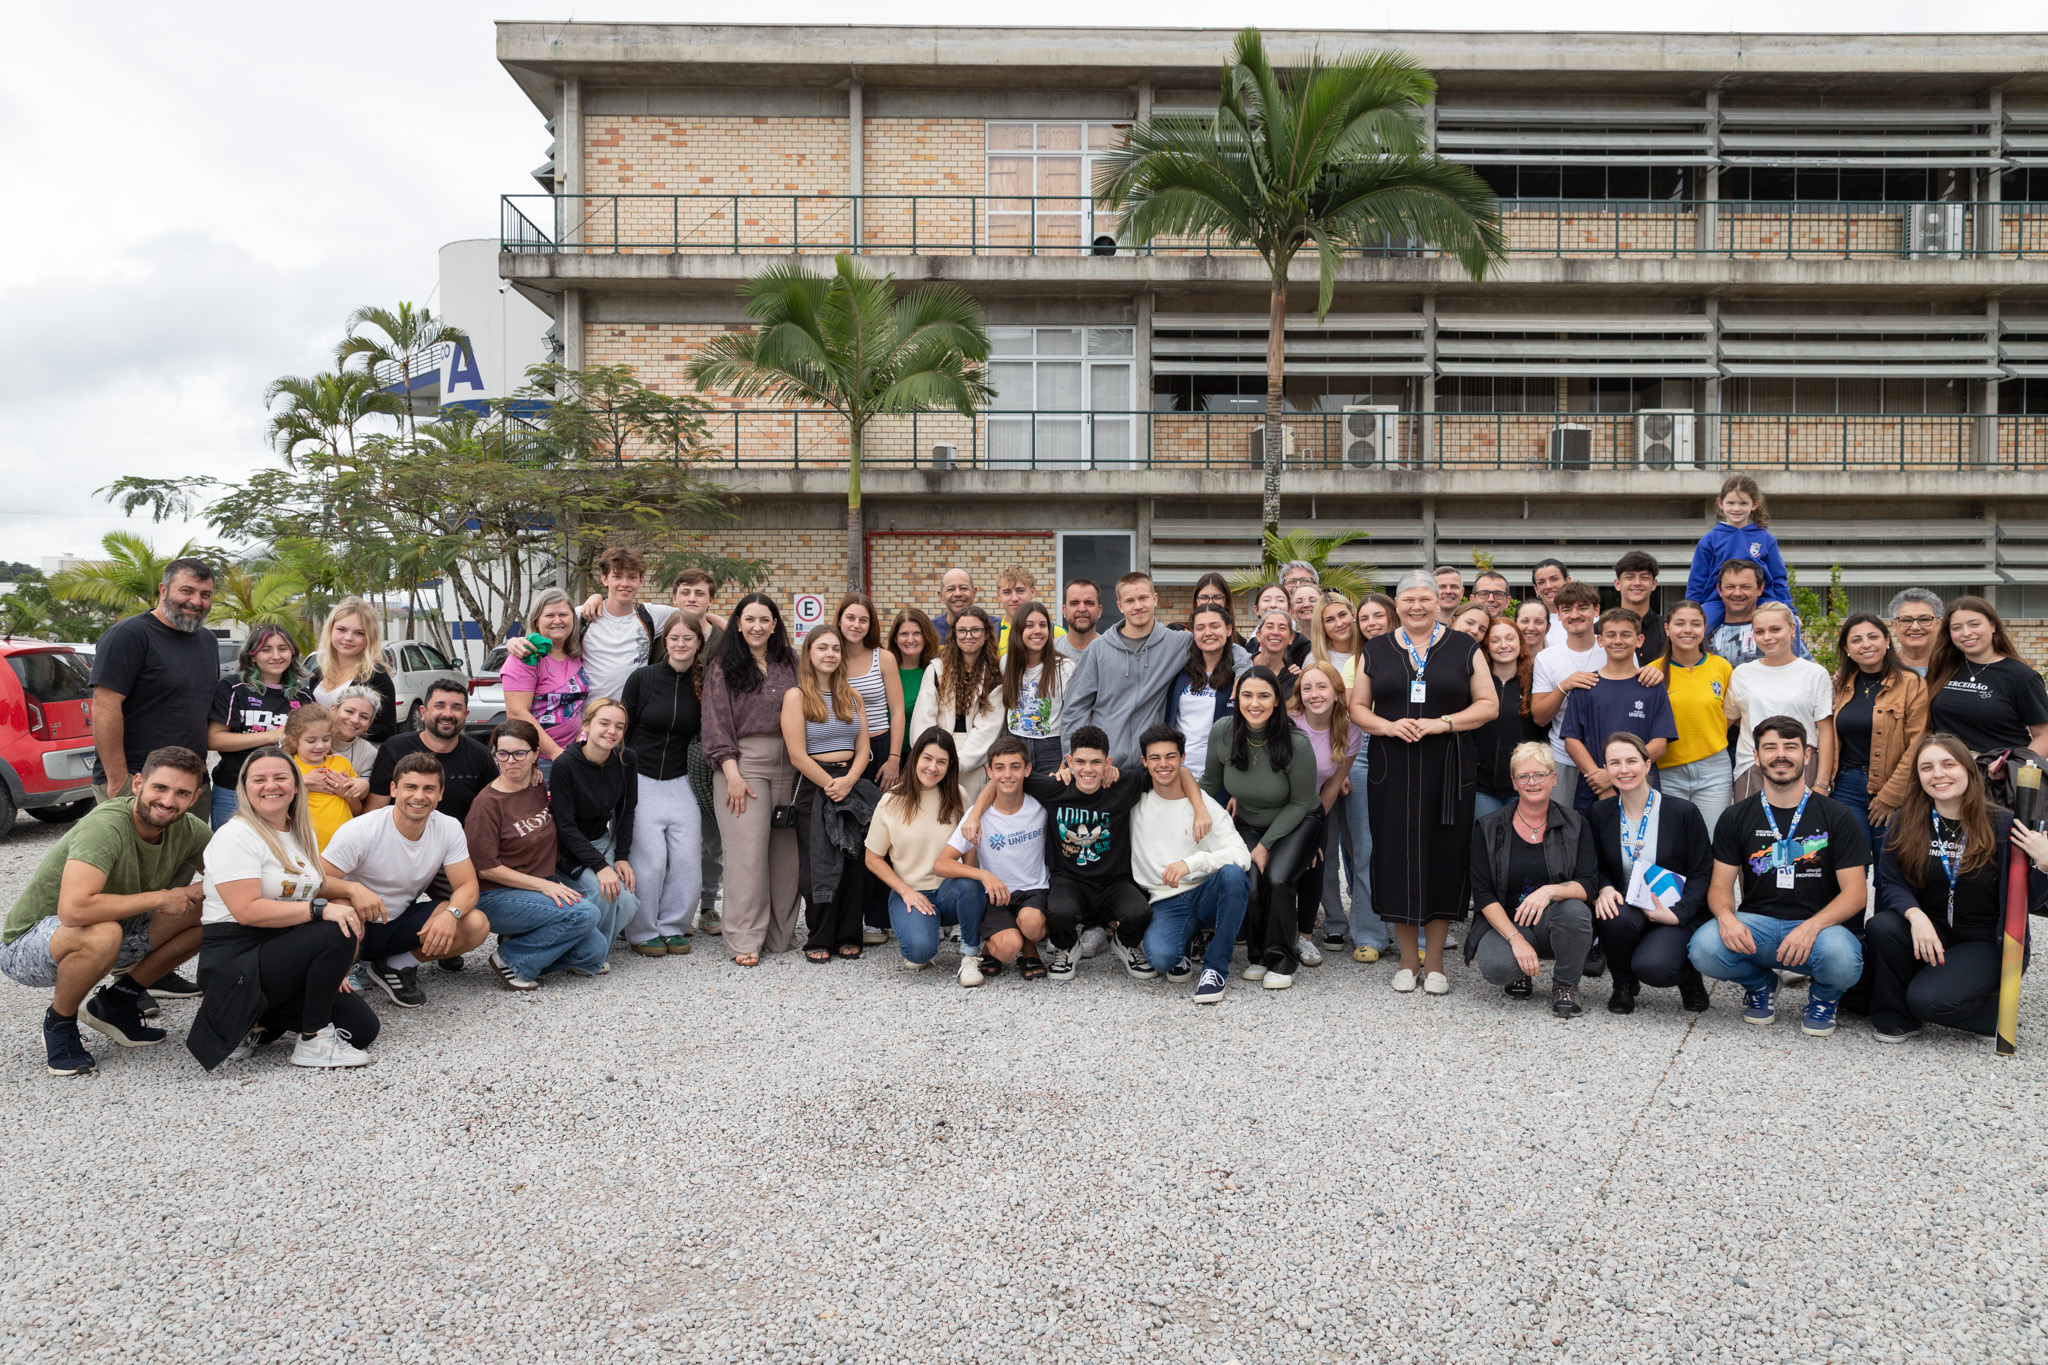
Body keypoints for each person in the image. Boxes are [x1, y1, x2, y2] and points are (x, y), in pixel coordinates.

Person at [1, 747, 210, 1076]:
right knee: (103, 932)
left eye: (181, 793)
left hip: (110, 927)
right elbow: (74, 910)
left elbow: (235, 876)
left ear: (195, 796)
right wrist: (160, 897)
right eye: (160, 788)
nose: (169, 801)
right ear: (138, 784)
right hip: (28, 944)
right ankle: (60, 1022)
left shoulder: (189, 829)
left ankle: (117, 1004)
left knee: (208, 911)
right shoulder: (106, 826)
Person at [186, 749, 388, 1071]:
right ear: (245, 788)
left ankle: (252, 1020)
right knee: (335, 925)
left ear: (296, 786)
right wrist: (321, 912)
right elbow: (246, 911)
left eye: (280, 777)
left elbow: (310, 885)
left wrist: (352, 891)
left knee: (362, 1029)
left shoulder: (299, 831)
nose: (271, 786)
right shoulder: (235, 835)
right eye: (259, 779)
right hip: (236, 955)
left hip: (279, 950)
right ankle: (313, 1041)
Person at [961, 721, 1204, 980]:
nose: (1088, 769)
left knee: (1140, 912)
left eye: (1096, 762)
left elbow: (1181, 772)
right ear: (1069, 761)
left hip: (1114, 880)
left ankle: (1123, 942)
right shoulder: (1055, 787)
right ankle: (1068, 947)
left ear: (1107, 762)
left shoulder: (1124, 784)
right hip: (1069, 879)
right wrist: (975, 814)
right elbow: (1002, 780)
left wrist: (1199, 809)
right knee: (1059, 912)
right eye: (1080, 762)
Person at [1351, 570, 1499, 993]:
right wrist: (1387, 726)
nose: (1416, 606)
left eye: (1425, 599)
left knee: (1444, 855)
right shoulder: (1376, 649)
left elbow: (1488, 705)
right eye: (1408, 599)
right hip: (1391, 765)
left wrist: (1443, 723)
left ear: (1439, 603)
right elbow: (1358, 707)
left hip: (1447, 766)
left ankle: (1434, 962)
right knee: (1395, 855)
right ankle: (1406, 959)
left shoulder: (1464, 646)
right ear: (1397, 605)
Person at [1689, 715, 1870, 1037]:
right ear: (1756, 757)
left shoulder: (1837, 815)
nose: (1780, 755)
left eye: (1790, 747)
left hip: (1818, 927)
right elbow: (1719, 886)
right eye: (1770, 748)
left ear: (1808, 755)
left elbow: (1856, 894)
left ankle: (1824, 997)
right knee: (1704, 947)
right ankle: (1761, 984)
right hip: (1757, 923)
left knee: (1844, 960)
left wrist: (1811, 927)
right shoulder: (1736, 816)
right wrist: (1727, 918)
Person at [1869, 733, 2048, 1042]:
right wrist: (1916, 916)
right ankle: (1898, 1018)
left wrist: (2045, 865)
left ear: (1967, 769)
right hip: (1932, 933)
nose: (1938, 774)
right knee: (1882, 925)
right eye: (1927, 767)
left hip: (1985, 943)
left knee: (1929, 1000)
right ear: (1918, 776)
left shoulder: (2005, 824)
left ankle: (1991, 1011)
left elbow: (2029, 900)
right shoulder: (1906, 820)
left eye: (1948, 764)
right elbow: (1892, 881)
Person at [321, 752, 490, 1009]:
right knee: (342, 903)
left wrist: (451, 915)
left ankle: (395, 966)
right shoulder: (361, 830)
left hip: (399, 920)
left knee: (475, 922)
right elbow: (317, 884)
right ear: (393, 789)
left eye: (428, 788)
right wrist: (352, 888)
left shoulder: (448, 827)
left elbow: (467, 886)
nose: (419, 796)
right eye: (410, 787)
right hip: (360, 922)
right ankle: (347, 967)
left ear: (440, 793)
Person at [465, 719, 610, 989]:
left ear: (535, 755)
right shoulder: (486, 805)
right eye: (503, 753)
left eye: (520, 753)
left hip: (536, 890)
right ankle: (512, 960)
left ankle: (521, 939)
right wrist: (544, 885)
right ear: (495, 755)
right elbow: (486, 869)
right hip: (496, 895)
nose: (511, 762)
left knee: (594, 952)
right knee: (585, 914)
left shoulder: (537, 784)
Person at [1204, 666, 1320, 990]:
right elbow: (1211, 782)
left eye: (1264, 696)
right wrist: (1182, 803)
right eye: (1247, 695)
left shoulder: (1296, 742)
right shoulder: (1223, 732)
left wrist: (1265, 845)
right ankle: (1258, 956)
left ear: (1277, 701)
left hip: (1298, 821)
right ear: (1237, 698)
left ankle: (1282, 960)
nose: (1255, 703)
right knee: (1250, 882)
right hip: (1249, 821)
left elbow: (1300, 804)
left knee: (1278, 878)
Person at [1465, 743, 1598, 1018]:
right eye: (1523, 776)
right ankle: (1519, 970)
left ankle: (1565, 984)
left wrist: (1550, 891)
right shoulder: (1489, 827)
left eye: (1539, 774)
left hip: (1554, 920)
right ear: (1513, 782)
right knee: (1498, 968)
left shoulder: (1576, 823)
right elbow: (1484, 894)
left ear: (1554, 778)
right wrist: (1515, 939)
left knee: (1575, 911)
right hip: (1508, 921)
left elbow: (1588, 884)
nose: (1532, 782)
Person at [703, 593, 800, 967]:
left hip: (791, 765)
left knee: (786, 857)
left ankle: (780, 935)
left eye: (765, 619)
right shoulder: (722, 666)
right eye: (750, 619)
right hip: (744, 766)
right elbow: (715, 723)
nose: (757, 626)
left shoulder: (791, 662)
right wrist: (732, 774)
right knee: (747, 856)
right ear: (739, 624)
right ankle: (744, 937)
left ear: (775, 624)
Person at [1587, 733, 1715, 1015]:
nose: (1624, 770)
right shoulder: (1600, 812)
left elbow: (1702, 871)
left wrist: (1678, 914)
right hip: (1628, 907)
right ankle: (1622, 983)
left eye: (1632, 761)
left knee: (1656, 969)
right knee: (1612, 915)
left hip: (1673, 908)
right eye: (1615, 763)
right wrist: (1605, 888)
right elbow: (1595, 865)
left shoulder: (1682, 812)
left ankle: (1689, 977)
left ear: (1647, 764)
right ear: (1606, 769)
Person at [1133, 723, 1253, 1004]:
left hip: (1205, 892)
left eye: (1171, 757)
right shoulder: (1134, 800)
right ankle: (1186, 942)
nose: (1164, 765)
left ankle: (1215, 968)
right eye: (1155, 758)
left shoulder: (1205, 806)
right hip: (1164, 900)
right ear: (1144, 762)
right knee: (1163, 959)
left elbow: (1241, 854)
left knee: (1234, 876)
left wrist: (1192, 863)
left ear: (1183, 758)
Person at [89, 556, 219, 803]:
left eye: (205, 594)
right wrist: (118, 782)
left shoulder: (208, 641)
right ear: (163, 590)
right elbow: (104, 707)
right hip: (140, 781)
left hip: (192, 782)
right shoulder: (129, 635)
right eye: (187, 591)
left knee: (194, 844)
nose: (196, 601)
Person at [783, 624, 876, 963]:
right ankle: (818, 937)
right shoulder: (797, 696)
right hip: (815, 785)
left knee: (854, 862)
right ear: (809, 653)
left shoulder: (852, 696)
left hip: (851, 782)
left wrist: (850, 779)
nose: (830, 654)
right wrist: (830, 784)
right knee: (819, 863)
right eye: (822, 648)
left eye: (835, 649)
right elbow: (797, 754)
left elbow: (863, 746)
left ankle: (850, 934)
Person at [865, 728, 987, 984]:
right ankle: (924, 931)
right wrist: (906, 892)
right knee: (919, 952)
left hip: (948, 891)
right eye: (927, 758)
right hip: (910, 893)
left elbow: (969, 842)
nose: (933, 767)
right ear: (916, 757)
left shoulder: (958, 795)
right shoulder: (890, 801)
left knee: (971, 884)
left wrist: (969, 872)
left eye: (941, 761)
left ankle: (970, 956)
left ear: (949, 765)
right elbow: (872, 858)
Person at [622, 611, 707, 956]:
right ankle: (642, 931)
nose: (681, 644)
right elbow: (622, 728)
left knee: (687, 860)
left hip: (682, 780)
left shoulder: (707, 684)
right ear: (664, 642)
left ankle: (674, 926)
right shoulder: (642, 678)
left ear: (699, 643)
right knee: (651, 861)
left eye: (688, 638)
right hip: (641, 780)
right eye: (674, 638)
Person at [933, 738, 1050, 980]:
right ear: (989, 771)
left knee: (1032, 925)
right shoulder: (977, 816)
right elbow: (942, 864)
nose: (1008, 774)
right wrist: (983, 875)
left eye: (1015, 767)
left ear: (1027, 769)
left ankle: (1029, 946)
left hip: (1034, 889)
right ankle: (995, 946)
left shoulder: (1041, 805)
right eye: (999, 768)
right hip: (996, 895)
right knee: (1007, 949)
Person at [1823, 612, 1929, 869]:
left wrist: (1891, 795)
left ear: (1887, 641)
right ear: (1847, 649)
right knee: (1850, 868)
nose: (1866, 644)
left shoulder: (1912, 684)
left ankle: (1886, 913)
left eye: (1873, 637)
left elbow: (1918, 744)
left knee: (1889, 869)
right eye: (1856, 640)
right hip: (1845, 788)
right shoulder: (1839, 685)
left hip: (1894, 787)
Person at [1062, 572, 1195, 768]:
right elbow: (1075, 709)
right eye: (1130, 600)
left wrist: (1243, 668)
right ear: (1120, 606)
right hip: (1106, 767)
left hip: (1152, 767)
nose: (1138, 606)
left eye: (1143, 598)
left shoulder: (1178, 644)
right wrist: (1074, 760)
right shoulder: (1098, 649)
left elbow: (1224, 646)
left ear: (1155, 599)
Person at [1559, 609, 1677, 815]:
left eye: (1626, 634)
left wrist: (1613, 774)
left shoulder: (1652, 686)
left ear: (1639, 640)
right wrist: (1603, 780)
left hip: (1641, 787)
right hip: (1595, 788)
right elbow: (1571, 740)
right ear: (1600, 640)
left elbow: (1659, 745)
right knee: (1594, 844)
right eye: (1611, 635)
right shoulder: (1586, 685)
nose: (1618, 640)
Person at [549, 696, 641, 958]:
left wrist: (622, 857)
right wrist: (601, 867)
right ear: (586, 725)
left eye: (619, 726)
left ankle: (589, 951)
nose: (612, 731)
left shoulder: (627, 759)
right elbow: (565, 827)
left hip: (601, 840)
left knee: (628, 901)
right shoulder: (565, 765)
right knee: (603, 892)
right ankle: (590, 955)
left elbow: (626, 811)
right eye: (604, 723)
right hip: (565, 847)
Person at [1724, 603, 1834, 799]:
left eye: (1775, 629)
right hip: (1754, 766)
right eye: (1759, 631)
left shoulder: (1815, 673)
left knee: (1803, 829)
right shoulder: (1742, 674)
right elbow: (1729, 720)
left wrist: (1822, 782)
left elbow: (1826, 731)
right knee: (1752, 828)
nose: (1767, 637)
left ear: (1792, 629)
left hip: (1802, 766)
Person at [1288, 662, 1357, 967]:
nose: (1314, 694)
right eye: (1307, 688)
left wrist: (1313, 826)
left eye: (1321, 687)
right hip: (1277, 806)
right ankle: (1274, 932)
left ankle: (1304, 938)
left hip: (1313, 807)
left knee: (1315, 856)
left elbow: (1332, 786)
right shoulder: (1288, 721)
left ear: (1337, 692)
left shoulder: (1350, 729)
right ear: (1299, 694)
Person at [206, 624, 305, 829]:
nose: (276, 656)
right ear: (252, 656)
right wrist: (273, 735)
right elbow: (214, 739)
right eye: (266, 649)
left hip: (280, 790)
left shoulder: (303, 696)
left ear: (292, 653)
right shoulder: (233, 688)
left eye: (283, 648)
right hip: (233, 789)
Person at [1924, 595, 2048, 757]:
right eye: (1956, 628)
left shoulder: (2021, 676)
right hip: (1951, 773)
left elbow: (2044, 735)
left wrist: (2012, 765)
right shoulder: (1943, 669)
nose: (1966, 633)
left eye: (1974, 624)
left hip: (1998, 776)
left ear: (1993, 626)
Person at [1654, 600, 1736, 838]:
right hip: (1668, 770)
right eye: (1680, 623)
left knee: (1713, 841)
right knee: (1673, 844)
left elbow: (1729, 714)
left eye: (1695, 624)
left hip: (1714, 770)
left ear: (1704, 629)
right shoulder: (1653, 671)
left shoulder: (1721, 667)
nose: (1687, 630)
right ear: (1667, 628)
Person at [368, 679, 495, 823]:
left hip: (459, 842)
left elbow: (493, 810)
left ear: (466, 715)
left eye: (456, 708)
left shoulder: (480, 755)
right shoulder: (395, 748)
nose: (448, 714)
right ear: (423, 712)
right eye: (439, 706)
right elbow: (374, 812)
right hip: (401, 841)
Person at [910, 604, 1004, 797]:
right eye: (961, 630)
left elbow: (988, 729)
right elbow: (924, 719)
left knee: (967, 817)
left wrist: (956, 763)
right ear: (953, 635)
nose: (968, 636)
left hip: (974, 760)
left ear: (986, 634)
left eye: (975, 630)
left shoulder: (996, 675)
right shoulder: (937, 669)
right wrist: (933, 760)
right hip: (935, 757)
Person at [1529, 581, 1606, 809]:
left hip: (1610, 759)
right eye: (1567, 609)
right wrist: (1563, 686)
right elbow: (1539, 717)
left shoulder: (1614, 649)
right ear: (1559, 615)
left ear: (1596, 611)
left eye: (1582, 607)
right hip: (1563, 758)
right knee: (1563, 829)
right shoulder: (1547, 657)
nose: (1575, 615)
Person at [500, 586, 591, 773]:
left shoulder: (576, 654)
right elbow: (517, 713)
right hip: (537, 761)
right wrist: (557, 754)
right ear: (537, 620)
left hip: (573, 755)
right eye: (549, 615)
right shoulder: (525, 656)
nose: (557, 621)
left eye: (563, 615)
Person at [1687, 474, 1790, 635]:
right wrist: (1690, 611)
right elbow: (1696, 581)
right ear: (1720, 503)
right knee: (1694, 629)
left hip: (1762, 601)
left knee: (1789, 627)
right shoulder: (1709, 540)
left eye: (1743, 503)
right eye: (1731, 503)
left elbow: (1778, 578)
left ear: (1754, 504)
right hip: (1718, 601)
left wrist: (1789, 610)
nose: (1736, 508)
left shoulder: (1765, 539)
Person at [576, 546, 676, 700]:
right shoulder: (583, 614)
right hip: (590, 716)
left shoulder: (651, 615)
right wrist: (523, 643)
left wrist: (722, 623)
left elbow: (693, 617)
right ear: (604, 579)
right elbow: (544, 629)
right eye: (617, 576)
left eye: (632, 577)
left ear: (641, 580)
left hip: (632, 716)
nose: (625, 583)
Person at [298, 597, 399, 742]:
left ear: (370, 637)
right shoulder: (319, 673)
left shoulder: (376, 676)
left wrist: (349, 728)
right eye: (341, 629)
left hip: (356, 759)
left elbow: (388, 730)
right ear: (330, 630)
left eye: (359, 633)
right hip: (318, 755)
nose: (348, 638)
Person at [1165, 604, 1240, 777]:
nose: (1208, 633)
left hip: (1221, 778)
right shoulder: (1178, 672)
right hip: (1178, 775)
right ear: (1193, 633)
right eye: (1200, 628)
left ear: (1228, 629)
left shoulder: (1239, 676)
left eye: (1214, 626)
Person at [1000, 601, 1072, 777]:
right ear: (1018, 630)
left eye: (1043, 625)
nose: (1037, 631)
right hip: (1015, 745)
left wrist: (1064, 764)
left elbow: (1073, 717)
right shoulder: (1006, 662)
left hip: (1052, 749)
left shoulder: (1065, 667)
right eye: (1029, 625)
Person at [1472, 617, 1534, 819]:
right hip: (1481, 786)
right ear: (1487, 646)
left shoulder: (1536, 681)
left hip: (1524, 784)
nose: (1504, 645)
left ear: (1520, 642)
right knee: (1486, 844)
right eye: (1495, 640)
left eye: (1510, 638)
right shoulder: (1475, 681)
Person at [280, 704, 360, 849]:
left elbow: (356, 810)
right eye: (311, 741)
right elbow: (277, 805)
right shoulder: (287, 767)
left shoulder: (341, 762)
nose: (320, 746)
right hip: (302, 847)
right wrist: (300, 783)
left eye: (326, 739)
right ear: (293, 740)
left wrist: (350, 792)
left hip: (343, 848)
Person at [1706, 559, 1809, 666]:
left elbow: (1808, 665)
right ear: (1719, 590)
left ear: (1760, 589)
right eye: (1730, 587)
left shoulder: (1776, 631)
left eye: (1745, 587)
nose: (1737, 593)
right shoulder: (1703, 632)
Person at [887, 608, 940, 755]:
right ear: (895, 638)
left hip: (926, 753)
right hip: (889, 753)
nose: (910, 640)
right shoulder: (885, 669)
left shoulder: (938, 669)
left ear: (926, 636)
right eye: (904, 634)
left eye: (917, 633)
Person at [1612, 550, 1667, 666]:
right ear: (1617, 584)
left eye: (1644, 577)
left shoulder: (1668, 630)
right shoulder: (1600, 629)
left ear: (1654, 584)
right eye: (1630, 577)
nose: (1637, 583)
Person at [993, 565, 1065, 651]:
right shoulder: (990, 635)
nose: (1014, 598)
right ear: (999, 595)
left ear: (1032, 592)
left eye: (1020, 591)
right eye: (1007, 592)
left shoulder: (1056, 633)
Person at [328, 686, 381, 802]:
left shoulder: (369, 753)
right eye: (349, 711)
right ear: (333, 709)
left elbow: (362, 800)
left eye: (364, 717)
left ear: (370, 722)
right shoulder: (309, 738)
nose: (355, 720)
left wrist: (364, 786)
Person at [668, 568, 729, 659]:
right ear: (674, 598)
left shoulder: (726, 643)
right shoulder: (662, 641)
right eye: (685, 593)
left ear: (711, 600)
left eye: (699, 594)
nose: (692, 599)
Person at [1887, 588, 1943, 678]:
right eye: (1906, 620)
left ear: (1939, 624)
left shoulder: (1955, 666)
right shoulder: (1881, 666)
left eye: (1924, 619)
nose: (1915, 627)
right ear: (1894, 626)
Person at [1309, 593, 1361, 680]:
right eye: (1329, 620)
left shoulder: (1370, 651)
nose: (1339, 623)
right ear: (1321, 626)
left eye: (1342, 615)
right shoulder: (1314, 660)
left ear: (1353, 615)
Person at [1249, 608, 1302, 689]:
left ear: (1291, 638)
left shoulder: (1294, 679)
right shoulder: (1242, 666)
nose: (1276, 632)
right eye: (1270, 627)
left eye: (1282, 628)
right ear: (1258, 635)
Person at [1055, 578, 1104, 660]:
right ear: (1064, 610)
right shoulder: (1048, 652)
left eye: (1089, 603)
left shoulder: (1112, 652)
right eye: (1074, 603)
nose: (1082, 609)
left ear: (1099, 611)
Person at [1531, 558, 1571, 649]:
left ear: (1567, 581)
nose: (1548, 586)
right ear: (1536, 589)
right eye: (1541, 582)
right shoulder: (1530, 625)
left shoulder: (1590, 619)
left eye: (1554, 579)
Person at [934, 567, 977, 642]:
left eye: (963, 588)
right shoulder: (930, 629)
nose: (958, 594)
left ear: (974, 593)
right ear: (941, 596)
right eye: (951, 589)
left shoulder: (995, 627)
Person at [1513, 598, 1550, 662]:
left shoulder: (1557, 661)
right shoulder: (1507, 662)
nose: (1531, 628)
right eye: (1525, 621)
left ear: (1548, 628)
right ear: (1515, 625)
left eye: (1538, 622)